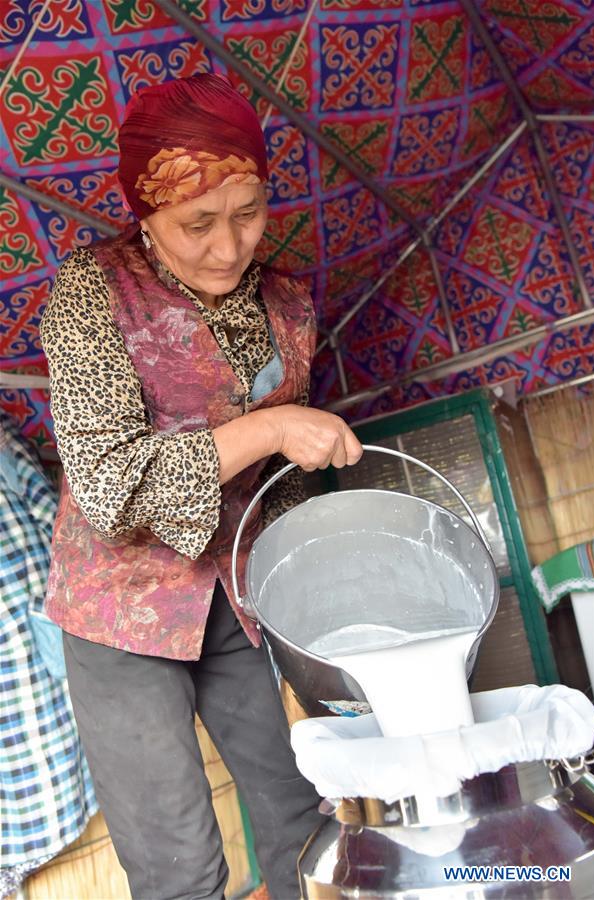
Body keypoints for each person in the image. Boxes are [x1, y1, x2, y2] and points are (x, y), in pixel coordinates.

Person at [39, 73, 362, 900]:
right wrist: (269, 428)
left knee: (300, 814)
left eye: (248, 212)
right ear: (145, 212)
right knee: (178, 861)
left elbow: (280, 480)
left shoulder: (287, 304)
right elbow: (109, 486)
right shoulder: (91, 293)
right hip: (123, 610)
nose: (229, 247)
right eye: (197, 223)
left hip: (240, 592)